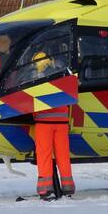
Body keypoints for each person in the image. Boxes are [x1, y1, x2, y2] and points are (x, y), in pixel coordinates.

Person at [30, 51, 75, 200]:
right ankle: (68, 187)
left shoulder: (35, 77)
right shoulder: (61, 73)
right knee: (63, 155)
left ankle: (45, 190)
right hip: (61, 123)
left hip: (44, 124)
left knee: (44, 155)